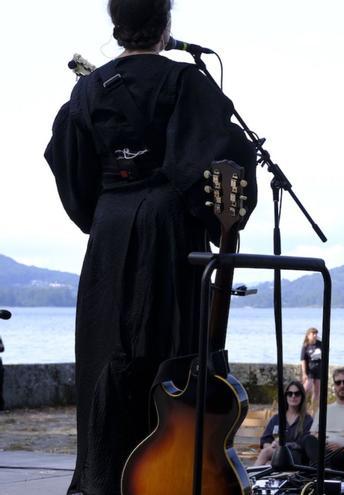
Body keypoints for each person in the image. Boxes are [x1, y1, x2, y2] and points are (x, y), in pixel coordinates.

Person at [44, 0, 258, 490]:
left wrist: (104, 213)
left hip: (109, 235)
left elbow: (69, 167)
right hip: (167, 235)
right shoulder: (185, 83)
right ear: (165, 25)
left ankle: (101, 479)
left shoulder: (87, 91)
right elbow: (219, 164)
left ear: (117, 28)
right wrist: (209, 216)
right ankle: (165, 477)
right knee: (168, 356)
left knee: (107, 362)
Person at [304, 368, 344, 470]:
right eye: (338, 382)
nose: (342, 386)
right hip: (323, 448)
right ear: (334, 386)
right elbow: (313, 435)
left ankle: (322, 469)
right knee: (307, 440)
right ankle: (325, 469)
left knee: (318, 457)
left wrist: (343, 447)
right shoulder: (324, 410)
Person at [256, 380, 313, 466]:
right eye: (290, 393)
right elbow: (265, 440)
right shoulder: (277, 418)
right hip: (277, 455)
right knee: (268, 457)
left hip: (298, 458)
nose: (293, 396)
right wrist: (272, 447)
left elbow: (303, 445)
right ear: (286, 396)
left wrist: (282, 446)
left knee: (266, 455)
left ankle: (250, 477)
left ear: (302, 397)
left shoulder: (307, 420)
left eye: (297, 394)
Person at [301, 327, 322, 413]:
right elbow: (303, 360)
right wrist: (304, 373)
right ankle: (302, 406)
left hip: (319, 369)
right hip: (310, 370)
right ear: (308, 335)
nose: (315, 335)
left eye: (316, 334)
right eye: (313, 334)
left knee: (317, 391)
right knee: (307, 388)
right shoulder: (305, 346)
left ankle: (314, 410)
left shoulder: (320, 344)